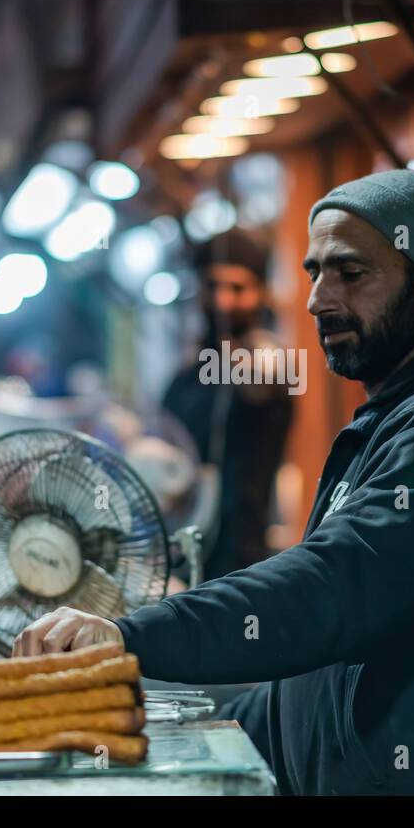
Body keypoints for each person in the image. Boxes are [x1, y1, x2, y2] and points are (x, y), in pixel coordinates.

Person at [15, 169, 414, 794]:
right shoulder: (387, 427)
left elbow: (332, 586)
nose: (319, 299)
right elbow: (314, 685)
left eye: (350, 273)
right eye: (313, 272)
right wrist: (191, 728)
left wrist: (131, 635)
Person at [162, 229, 292, 580]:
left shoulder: (271, 359)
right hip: (181, 551)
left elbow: (260, 388)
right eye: (213, 286)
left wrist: (231, 351)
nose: (222, 301)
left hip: (240, 557)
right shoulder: (187, 371)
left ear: (261, 293)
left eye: (237, 288)